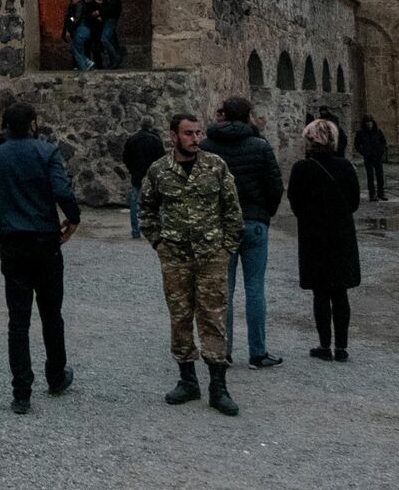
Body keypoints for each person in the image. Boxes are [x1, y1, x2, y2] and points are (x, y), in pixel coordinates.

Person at [138, 113, 244, 417]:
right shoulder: (159, 171)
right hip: (176, 257)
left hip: (211, 255)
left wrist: (227, 247)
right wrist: (158, 242)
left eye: (198, 133)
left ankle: (218, 386)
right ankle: (187, 379)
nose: (195, 139)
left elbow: (232, 209)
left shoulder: (215, 166)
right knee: (180, 316)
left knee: (213, 317)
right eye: (188, 133)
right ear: (173, 136)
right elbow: (146, 209)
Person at [0, 102, 80, 414]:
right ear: (34, 124)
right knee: (52, 313)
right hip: (44, 240)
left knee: (18, 320)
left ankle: (21, 391)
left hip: (13, 243)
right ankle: (55, 375)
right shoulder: (46, 152)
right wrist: (73, 218)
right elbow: (61, 190)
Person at [202, 97, 285, 370]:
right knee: (255, 288)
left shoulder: (207, 146)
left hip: (220, 224)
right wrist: (264, 213)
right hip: (253, 222)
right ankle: (257, 353)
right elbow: (274, 185)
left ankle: (223, 352)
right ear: (247, 115)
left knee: (223, 289)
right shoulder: (259, 146)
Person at [287, 119, 362, 362]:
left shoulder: (301, 169)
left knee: (320, 293)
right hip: (341, 234)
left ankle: (324, 345)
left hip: (313, 235)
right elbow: (354, 202)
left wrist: (310, 217)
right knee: (340, 292)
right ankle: (341, 347)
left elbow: (295, 201)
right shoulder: (345, 167)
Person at [120, 119, 165, 240]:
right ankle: (158, 229)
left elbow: (126, 157)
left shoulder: (133, 139)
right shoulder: (156, 139)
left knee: (135, 203)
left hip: (137, 175)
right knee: (157, 202)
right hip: (152, 176)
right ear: (151, 125)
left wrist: (131, 169)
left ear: (140, 125)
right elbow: (162, 159)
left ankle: (135, 231)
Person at [353, 115, 388, 201]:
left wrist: (380, 151)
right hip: (368, 157)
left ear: (373, 123)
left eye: (370, 123)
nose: (369, 125)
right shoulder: (360, 133)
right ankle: (372, 194)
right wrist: (363, 152)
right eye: (367, 123)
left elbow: (383, 142)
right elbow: (356, 144)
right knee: (370, 176)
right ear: (364, 124)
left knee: (380, 175)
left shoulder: (378, 132)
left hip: (377, 157)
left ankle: (381, 193)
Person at [95, 0, 124, 69]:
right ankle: (113, 62)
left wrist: (100, 12)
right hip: (109, 18)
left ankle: (116, 59)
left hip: (111, 18)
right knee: (112, 40)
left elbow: (112, 6)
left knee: (104, 38)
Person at [62, 0, 93, 72]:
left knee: (77, 50)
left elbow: (75, 19)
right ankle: (87, 62)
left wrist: (70, 24)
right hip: (84, 29)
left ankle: (85, 67)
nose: (71, 1)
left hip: (81, 29)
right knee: (78, 49)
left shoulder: (79, 6)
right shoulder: (82, 6)